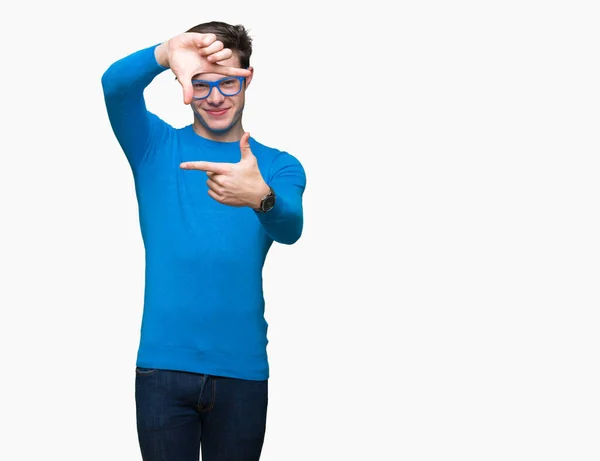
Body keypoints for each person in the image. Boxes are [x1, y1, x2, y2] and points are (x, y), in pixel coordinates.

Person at [101, 20, 306, 461]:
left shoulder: (278, 166)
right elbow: (114, 87)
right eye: (200, 83)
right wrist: (166, 50)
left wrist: (262, 198)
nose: (214, 97)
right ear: (184, 83)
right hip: (163, 367)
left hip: (241, 370)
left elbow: (290, 229)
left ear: (248, 79)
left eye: (228, 82)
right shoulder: (153, 146)